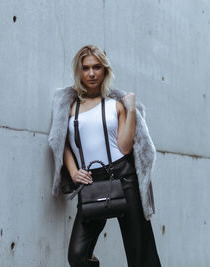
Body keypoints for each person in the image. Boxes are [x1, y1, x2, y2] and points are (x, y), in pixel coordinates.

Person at [48, 45, 161, 267]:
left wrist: (130, 111)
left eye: (96, 67)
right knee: (78, 255)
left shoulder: (115, 105)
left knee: (140, 255)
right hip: (91, 182)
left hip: (124, 178)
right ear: (79, 71)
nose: (91, 73)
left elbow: (125, 147)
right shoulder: (69, 106)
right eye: (86, 68)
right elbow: (63, 144)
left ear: (105, 70)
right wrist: (73, 171)